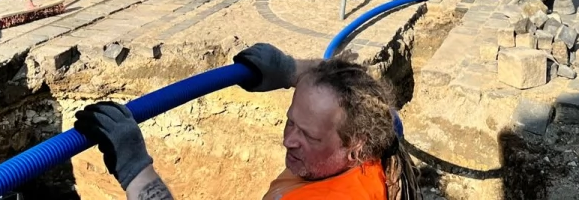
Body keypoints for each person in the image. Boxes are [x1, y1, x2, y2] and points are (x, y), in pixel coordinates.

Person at [74, 44, 418, 200]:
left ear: (355, 147)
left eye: (308, 136)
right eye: (290, 123)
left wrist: (135, 169)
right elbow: (360, 89)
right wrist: (292, 70)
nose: (288, 141)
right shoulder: (375, 134)